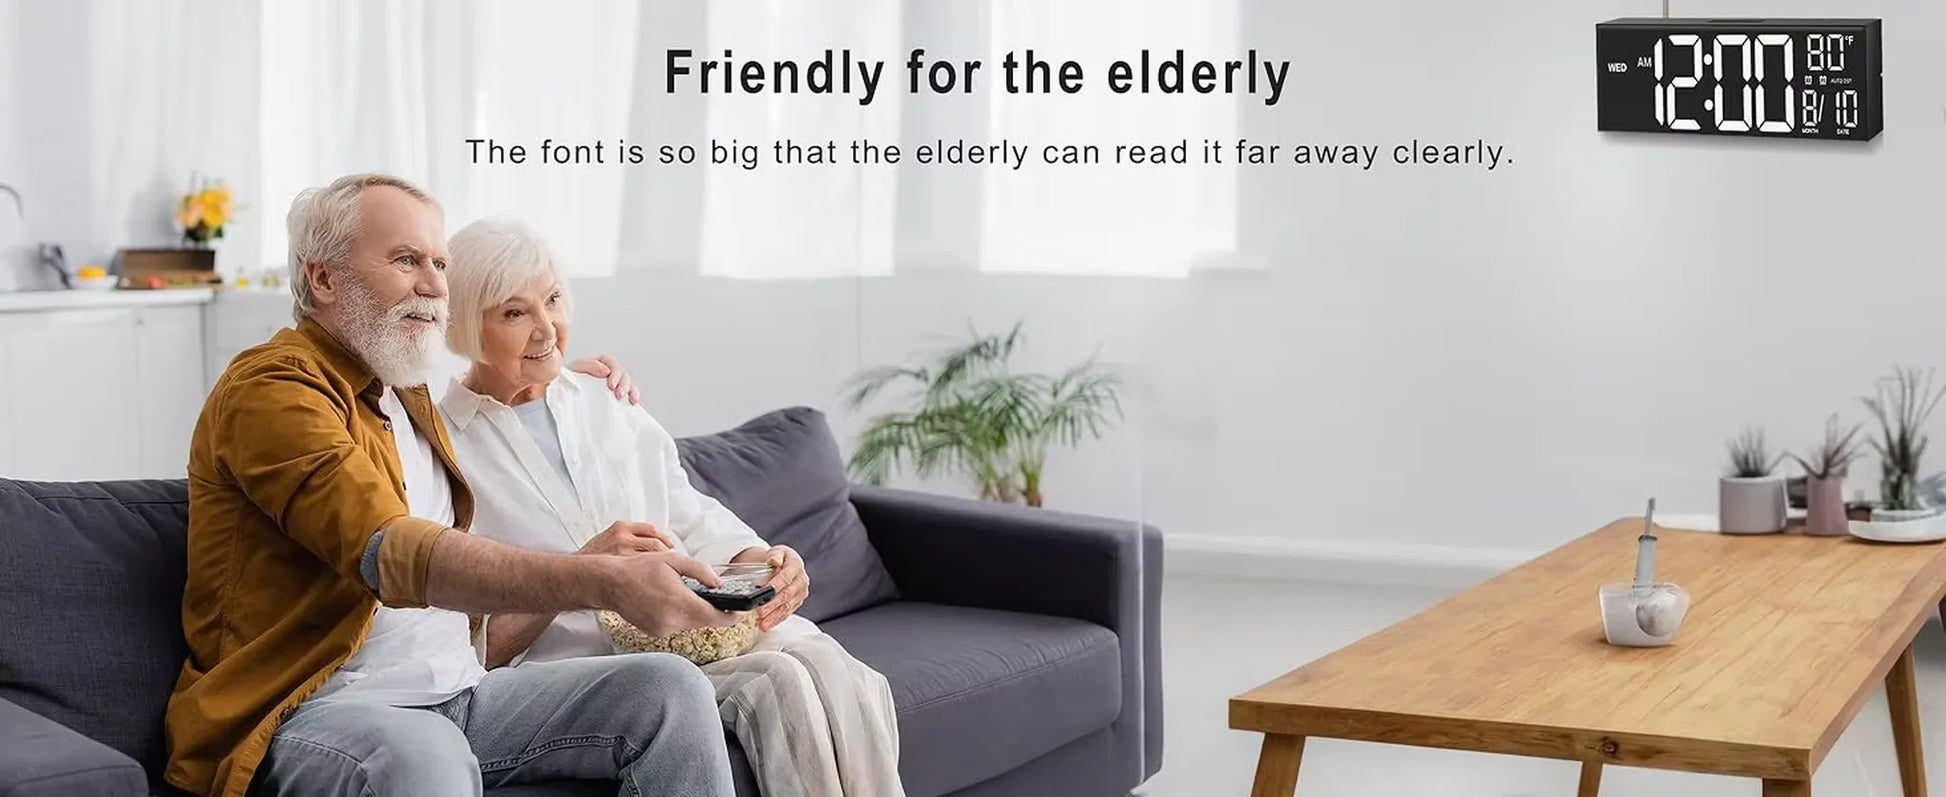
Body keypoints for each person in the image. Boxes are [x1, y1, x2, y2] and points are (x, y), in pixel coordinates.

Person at [165, 172, 740, 797]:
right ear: (322, 278)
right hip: (322, 711)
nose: (436, 284)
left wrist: (553, 376)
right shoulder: (273, 389)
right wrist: (602, 580)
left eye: (439, 263)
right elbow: (391, 550)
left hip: (464, 694)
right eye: (406, 260)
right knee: (422, 760)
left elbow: (488, 399)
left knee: (668, 691)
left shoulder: (406, 393)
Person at [436, 216, 905, 797]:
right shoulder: (445, 450)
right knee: (778, 680)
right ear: (463, 324)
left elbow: (684, 508)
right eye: (514, 312)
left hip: (692, 628)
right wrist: (586, 570)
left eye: (552, 299)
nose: (546, 329)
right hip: (585, 668)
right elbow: (467, 640)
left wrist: (759, 557)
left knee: (843, 670)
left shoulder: (607, 402)